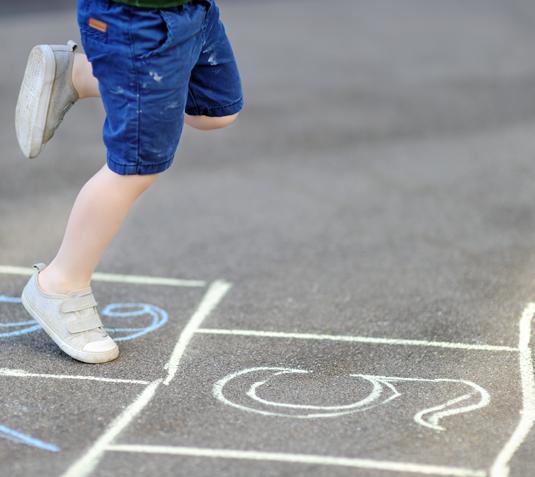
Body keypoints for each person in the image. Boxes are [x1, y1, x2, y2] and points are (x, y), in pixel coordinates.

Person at [14, 0, 243, 364]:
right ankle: (60, 282)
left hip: (193, 13)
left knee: (214, 110)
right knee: (136, 166)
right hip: (136, 23)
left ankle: (80, 74)